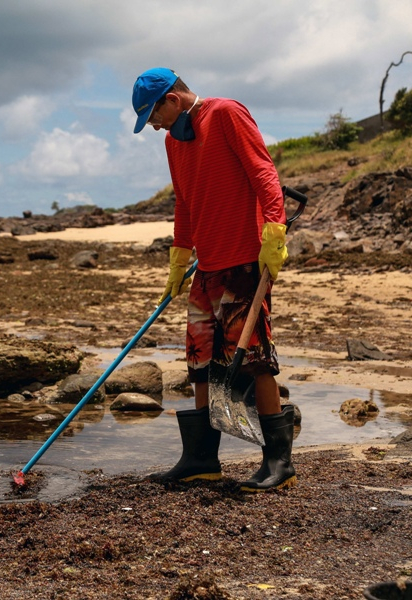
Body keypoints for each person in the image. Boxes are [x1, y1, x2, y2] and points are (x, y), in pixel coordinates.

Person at [131, 67, 295, 492]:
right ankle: (202, 459)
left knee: (255, 360)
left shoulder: (225, 114)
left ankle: (279, 463)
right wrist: (178, 257)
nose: (153, 125)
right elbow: (184, 203)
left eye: (152, 114)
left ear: (173, 99)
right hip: (206, 268)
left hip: (245, 262)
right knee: (200, 362)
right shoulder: (174, 142)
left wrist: (274, 230)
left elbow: (264, 173)